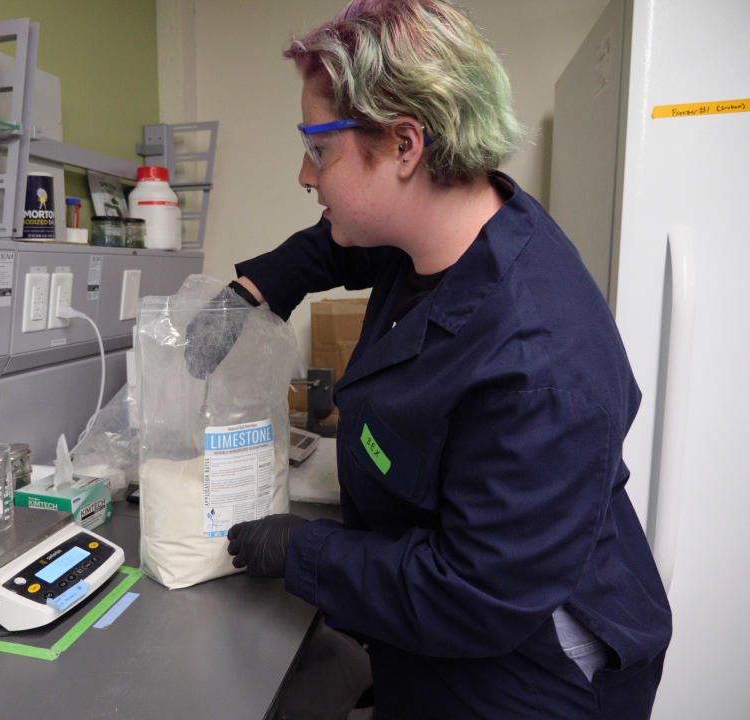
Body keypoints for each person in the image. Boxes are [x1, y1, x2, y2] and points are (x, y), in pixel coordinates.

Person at [219, 1, 672, 718]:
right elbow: (342, 240)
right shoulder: (447, 222)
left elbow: (471, 596)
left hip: (531, 671)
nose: (305, 176)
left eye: (319, 149)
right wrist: (252, 289)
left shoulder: (539, 362)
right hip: (461, 623)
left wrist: (304, 552)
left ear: (404, 145)